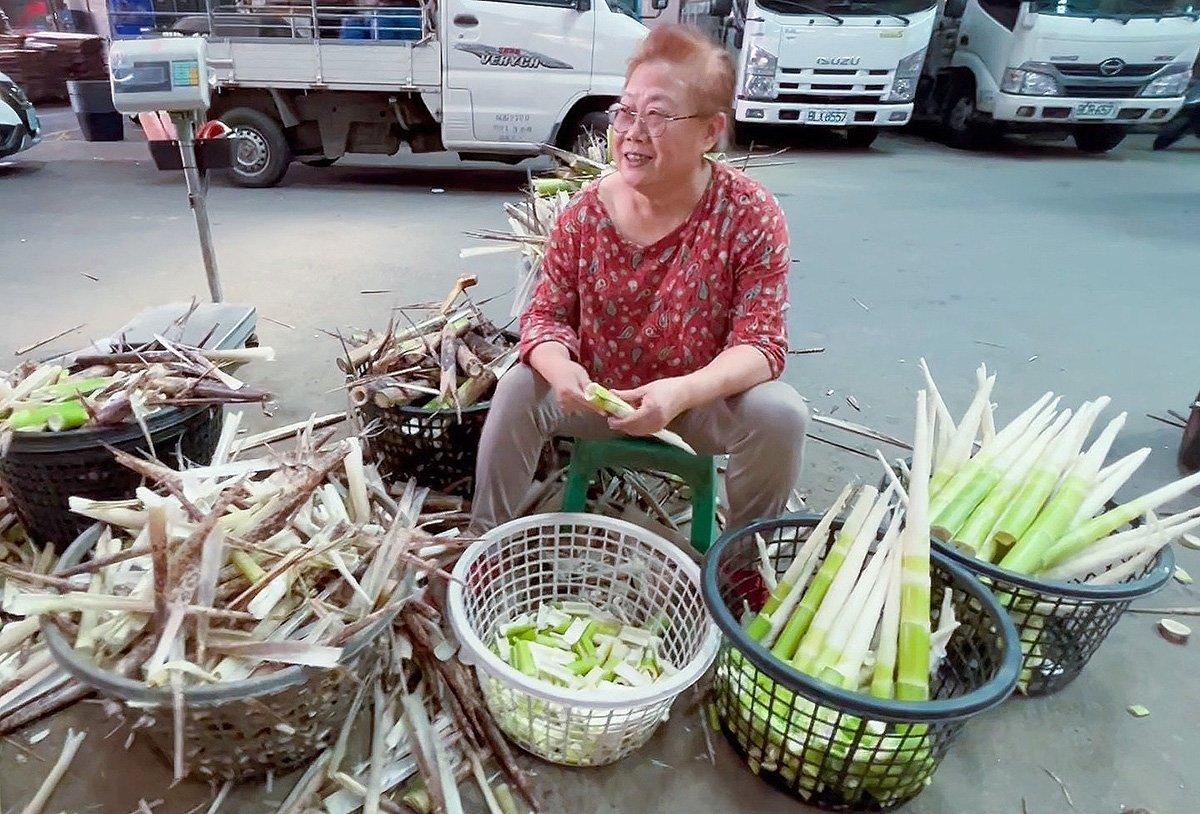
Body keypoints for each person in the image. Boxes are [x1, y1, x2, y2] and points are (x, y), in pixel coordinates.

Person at [468, 24, 809, 536]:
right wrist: (562, 372)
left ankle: (742, 564)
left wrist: (681, 392)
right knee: (520, 386)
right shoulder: (585, 214)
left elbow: (761, 346)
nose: (632, 132)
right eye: (625, 111)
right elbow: (545, 317)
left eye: (658, 114)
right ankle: (481, 544)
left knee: (780, 413)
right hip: (597, 399)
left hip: (696, 403)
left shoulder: (748, 213)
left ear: (709, 132)